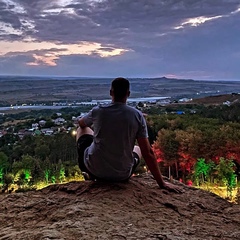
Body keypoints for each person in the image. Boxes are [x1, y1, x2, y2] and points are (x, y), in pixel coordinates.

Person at [76, 77, 181, 192]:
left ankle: (87, 171)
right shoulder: (136, 115)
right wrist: (161, 183)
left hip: (95, 170)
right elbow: (148, 152)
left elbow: (81, 123)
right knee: (138, 148)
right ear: (128, 94)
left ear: (111, 92)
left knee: (82, 129)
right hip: (122, 175)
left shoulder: (98, 111)